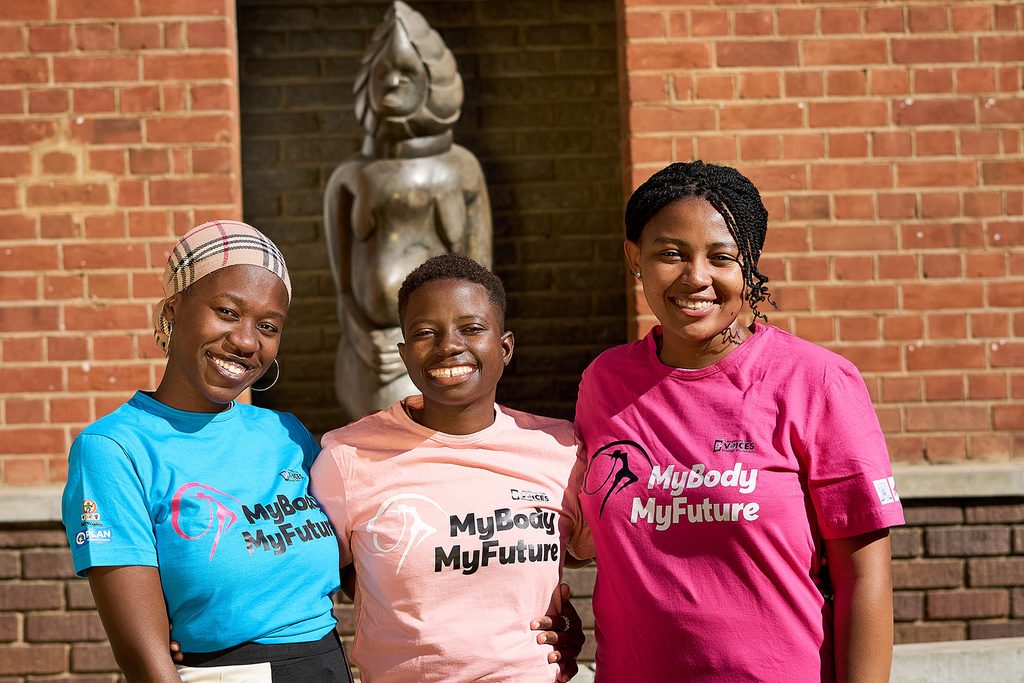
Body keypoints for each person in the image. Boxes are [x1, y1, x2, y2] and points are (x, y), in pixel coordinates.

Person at [574, 161, 905, 682]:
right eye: (670, 254)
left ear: (749, 267)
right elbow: (582, 538)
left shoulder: (816, 381)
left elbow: (866, 576)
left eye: (722, 257)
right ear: (634, 259)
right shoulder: (604, 383)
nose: (696, 277)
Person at [62, 221, 353, 682]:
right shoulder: (114, 448)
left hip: (328, 667)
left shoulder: (287, 433)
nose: (245, 340)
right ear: (173, 309)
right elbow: (143, 657)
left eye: (268, 326)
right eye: (226, 311)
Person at [310, 253, 590, 683]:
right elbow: (318, 572)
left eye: (472, 328)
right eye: (425, 332)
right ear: (404, 354)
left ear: (505, 346)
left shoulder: (560, 448)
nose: (449, 345)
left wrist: (567, 621)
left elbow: (585, 555)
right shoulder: (349, 457)